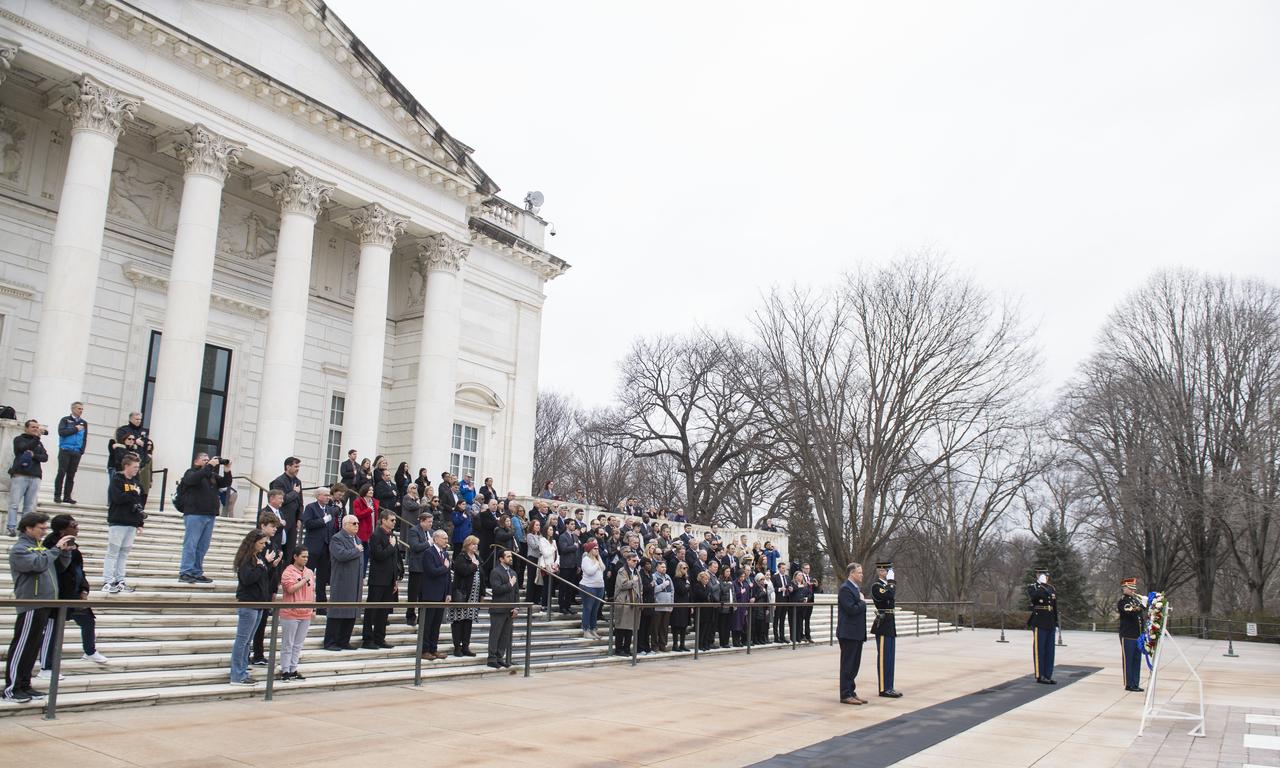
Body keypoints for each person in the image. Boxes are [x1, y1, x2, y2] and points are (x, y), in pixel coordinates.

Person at [5, 512, 73, 703]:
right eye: (41, 528)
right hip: (30, 603)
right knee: (22, 646)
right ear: (28, 528)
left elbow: (56, 568)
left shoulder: (40, 547)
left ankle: (25, 685)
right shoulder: (20, 549)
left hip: (45, 603)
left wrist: (65, 552)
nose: (44, 531)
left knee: (33, 647)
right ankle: (12, 688)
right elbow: (37, 564)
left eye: (45, 528)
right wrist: (54, 550)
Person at [37, 514, 108, 680]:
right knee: (52, 630)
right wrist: (61, 551)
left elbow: (79, 570)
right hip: (58, 594)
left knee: (88, 620)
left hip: (74, 593)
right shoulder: (50, 545)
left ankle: (90, 651)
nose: (77, 528)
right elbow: (57, 570)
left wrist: (84, 588)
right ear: (63, 530)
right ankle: (45, 667)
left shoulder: (74, 545)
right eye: (74, 525)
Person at [177, 453, 233, 584]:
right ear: (196, 462)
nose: (208, 462)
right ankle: (185, 571)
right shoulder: (191, 472)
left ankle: (196, 572)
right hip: (195, 513)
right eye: (205, 460)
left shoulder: (211, 476)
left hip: (209, 514)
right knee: (191, 544)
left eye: (209, 460)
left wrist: (227, 470)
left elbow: (225, 483)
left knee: (203, 546)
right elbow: (193, 480)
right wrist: (209, 466)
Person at [230, 529, 275, 685]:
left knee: (247, 641)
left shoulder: (257, 558)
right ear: (253, 543)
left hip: (258, 603)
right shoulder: (247, 559)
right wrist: (263, 566)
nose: (263, 546)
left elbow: (262, 578)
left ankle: (242, 670)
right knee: (242, 640)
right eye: (261, 543)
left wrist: (267, 565)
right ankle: (237, 674)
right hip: (248, 603)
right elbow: (248, 578)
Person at [102, 453, 145, 594]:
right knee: (113, 552)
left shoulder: (137, 483)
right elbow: (117, 498)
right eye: (134, 467)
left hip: (131, 522)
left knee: (124, 553)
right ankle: (108, 580)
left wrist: (140, 522)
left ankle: (120, 580)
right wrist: (132, 493)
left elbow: (139, 502)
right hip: (118, 520)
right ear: (126, 466)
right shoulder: (117, 479)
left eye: (138, 467)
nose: (136, 470)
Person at [323, 515, 364, 651]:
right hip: (342, 580)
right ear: (345, 524)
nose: (357, 525)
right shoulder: (337, 538)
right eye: (354, 523)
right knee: (338, 610)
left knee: (351, 611)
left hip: (355, 581)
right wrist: (356, 550)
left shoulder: (357, 539)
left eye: (358, 523)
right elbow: (341, 555)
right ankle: (330, 642)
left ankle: (344, 640)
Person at [362, 510, 402, 649]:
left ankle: (380, 638)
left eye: (395, 520)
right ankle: (367, 639)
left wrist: (395, 579)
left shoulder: (392, 536)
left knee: (384, 611)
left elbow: (394, 558)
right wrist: (391, 546)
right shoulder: (376, 535)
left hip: (389, 579)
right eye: (392, 520)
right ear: (383, 520)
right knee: (372, 609)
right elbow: (379, 555)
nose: (394, 522)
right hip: (378, 579)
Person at [278, 548, 315, 681]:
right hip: (291, 613)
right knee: (288, 643)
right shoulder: (288, 572)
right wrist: (304, 580)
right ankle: (285, 670)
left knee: (298, 644)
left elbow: (313, 591)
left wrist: (314, 609)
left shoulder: (309, 572)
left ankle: (293, 669)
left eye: (307, 556)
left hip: (305, 612)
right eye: (303, 556)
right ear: (295, 556)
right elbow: (290, 589)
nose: (306, 559)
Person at [7, 419, 48, 537]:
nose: (36, 429)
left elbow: (45, 457)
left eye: (37, 427)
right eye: (33, 427)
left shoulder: (39, 443)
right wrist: (37, 438)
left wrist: (34, 455)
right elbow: (23, 449)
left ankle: (24, 530)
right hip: (20, 474)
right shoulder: (19, 439)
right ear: (26, 428)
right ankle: (11, 527)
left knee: (29, 506)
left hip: (35, 476)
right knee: (14, 504)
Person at [837, 562, 868, 705]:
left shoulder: (855, 588)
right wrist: (862, 602)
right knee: (848, 665)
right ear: (852, 573)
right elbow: (851, 609)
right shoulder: (845, 589)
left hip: (856, 633)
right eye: (859, 572)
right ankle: (845, 694)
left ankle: (851, 691)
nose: (862, 575)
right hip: (848, 633)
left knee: (854, 665)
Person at [419, 529, 452, 659]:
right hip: (430, 594)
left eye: (447, 538)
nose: (446, 541)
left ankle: (434, 648)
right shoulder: (428, 553)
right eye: (444, 538)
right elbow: (431, 571)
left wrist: (448, 592)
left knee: (436, 624)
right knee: (427, 624)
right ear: (436, 539)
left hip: (442, 594)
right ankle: (424, 650)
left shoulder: (445, 554)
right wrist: (444, 567)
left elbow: (448, 575)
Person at [871, 561, 901, 698]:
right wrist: (891, 581)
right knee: (884, 658)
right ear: (881, 571)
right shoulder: (876, 586)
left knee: (890, 658)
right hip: (883, 624)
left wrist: (890, 583)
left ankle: (890, 686)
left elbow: (891, 592)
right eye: (888, 570)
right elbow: (888, 595)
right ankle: (883, 688)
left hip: (890, 622)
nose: (889, 573)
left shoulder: (887, 585)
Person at [447, 535, 481, 657]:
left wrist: (482, 593)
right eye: (473, 544)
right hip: (462, 594)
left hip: (474, 595)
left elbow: (480, 575)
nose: (475, 546)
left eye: (476, 544)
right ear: (467, 545)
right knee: (458, 620)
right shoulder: (461, 557)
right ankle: (457, 647)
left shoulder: (477, 557)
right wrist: (474, 565)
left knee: (468, 621)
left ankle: (466, 646)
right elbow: (463, 570)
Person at [300, 487, 336, 605]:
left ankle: (321, 604)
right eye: (325, 495)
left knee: (322, 578)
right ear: (318, 496)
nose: (328, 497)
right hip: (313, 547)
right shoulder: (311, 507)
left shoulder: (330, 509)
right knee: (308, 574)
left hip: (326, 548)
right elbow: (308, 523)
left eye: (329, 495)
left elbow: (332, 528)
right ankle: (304, 600)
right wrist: (323, 520)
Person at [486, 548, 519, 668]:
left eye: (511, 556)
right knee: (496, 634)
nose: (511, 558)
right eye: (508, 556)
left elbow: (516, 592)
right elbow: (497, 589)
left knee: (505, 635)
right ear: (501, 559)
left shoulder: (513, 573)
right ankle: (492, 658)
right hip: (498, 608)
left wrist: (516, 607)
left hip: (510, 609)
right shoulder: (496, 572)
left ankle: (500, 656)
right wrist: (510, 584)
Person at [1026, 568, 1059, 684]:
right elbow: (1034, 598)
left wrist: (1056, 622)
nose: (1045, 576)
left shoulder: (1051, 588)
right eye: (1041, 574)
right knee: (1040, 650)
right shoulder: (1034, 587)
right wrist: (1041, 585)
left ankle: (1048, 674)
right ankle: (1040, 675)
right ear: (1037, 575)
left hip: (1050, 621)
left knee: (1050, 650)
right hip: (1039, 621)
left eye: (1045, 575)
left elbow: (1054, 606)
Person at [53, 401, 87, 505]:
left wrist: (82, 451)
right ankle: (57, 495)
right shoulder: (65, 420)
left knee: (71, 475)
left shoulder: (84, 423)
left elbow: (84, 438)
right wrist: (75, 429)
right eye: (78, 408)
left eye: (82, 409)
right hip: (65, 449)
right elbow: (62, 432)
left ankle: (67, 496)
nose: (81, 411)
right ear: (73, 409)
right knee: (61, 472)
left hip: (76, 451)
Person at [270, 457, 304, 555]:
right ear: (288, 467)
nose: (297, 469)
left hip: (293, 520)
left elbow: (300, 502)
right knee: (279, 549)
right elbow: (281, 500)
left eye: (298, 466)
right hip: (282, 519)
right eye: (295, 466)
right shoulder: (279, 481)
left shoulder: (297, 481)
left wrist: (300, 518)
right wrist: (294, 492)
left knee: (290, 550)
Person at [404, 511, 433, 626]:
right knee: (413, 594)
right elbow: (415, 547)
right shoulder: (414, 531)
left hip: (428, 568)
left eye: (431, 521)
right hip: (417, 567)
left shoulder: (431, 532)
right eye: (429, 522)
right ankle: (410, 615)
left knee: (424, 595)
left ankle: (423, 617)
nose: (431, 524)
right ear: (422, 521)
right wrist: (428, 542)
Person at [1118, 577, 1146, 692]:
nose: (1132, 590)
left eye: (1133, 588)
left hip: (1137, 635)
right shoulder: (1123, 601)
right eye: (1129, 588)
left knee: (1137, 660)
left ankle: (1135, 683)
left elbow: (1139, 613)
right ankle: (1129, 684)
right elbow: (1130, 612)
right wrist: (1142, 606)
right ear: (1124, 588)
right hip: (1128, 635)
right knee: (1128, 660)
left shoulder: (1135, 601)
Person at [613, 550, 642, 656]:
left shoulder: (636, 571)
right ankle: (619, 649)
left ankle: (626, 648)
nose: (635, 562)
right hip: (624, 602)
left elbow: (640, 587)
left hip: (633, 602)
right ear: (628, 560)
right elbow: (623, 585)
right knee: (621, 627)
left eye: (636, 561)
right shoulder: (622, 571)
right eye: (633, 561)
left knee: (630, 628)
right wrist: (633, 581)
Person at [580, 539, 606, 638]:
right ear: (590, 549)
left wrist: (598, 559)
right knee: (588, 608)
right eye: (595, 548)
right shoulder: (586, 559)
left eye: (597, 548)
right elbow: (589, 571)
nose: (597, 550)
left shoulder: (597, 559)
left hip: (599, 587)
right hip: (588, 587)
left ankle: (593, 628)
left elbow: (603, 568)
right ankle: (586, 629)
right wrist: (596, 564)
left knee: (595, 609)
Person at [557, 520, 583, 615]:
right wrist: (574, 547)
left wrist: (579, 565)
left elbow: (578, 552)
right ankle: (562, 606)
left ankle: (568, 606)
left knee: (570, 588)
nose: (573, 526)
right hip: (565, 566)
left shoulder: (575, 536)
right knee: (563, 587)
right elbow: (563, 549)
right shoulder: (563, 536)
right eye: (571, 524)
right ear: (567, 525)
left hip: (574, 565)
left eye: (574, 524)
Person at [352, 483, 378, 572]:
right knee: (360, 554)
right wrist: (369, 510)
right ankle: (358, 573)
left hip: (372, 531)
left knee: (367, 555)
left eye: (372, 490)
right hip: (362, 532)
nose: (371, 491)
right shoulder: (358, 501)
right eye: (369, 490)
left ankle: (362, 576)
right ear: (364, 490)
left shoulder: (374, 502)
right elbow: (358, 515)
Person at [524, 517, 547, 609]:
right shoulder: (530, 535)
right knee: (531, 578)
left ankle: (536, 598)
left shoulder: (541, 536)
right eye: (536, 525)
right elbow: (533, 546)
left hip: (540, 559)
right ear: (532, 526)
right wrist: (541, 544)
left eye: (539, 525)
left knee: (539, 579)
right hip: (532, 558)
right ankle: (529, 599)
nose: (538, 527)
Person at [652, 560, 674, 652]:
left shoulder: (668, 577)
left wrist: (671, 603)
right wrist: (663, 585)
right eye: (662, 567)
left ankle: (663, 644)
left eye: (665, 567)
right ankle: (654, 645)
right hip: (658, 605)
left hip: (667, 605)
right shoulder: (654, 576)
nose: (664, 569)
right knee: (655, 627)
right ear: (657, 568)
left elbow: (672, 590)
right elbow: (654, 590)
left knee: (664, 627)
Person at [670, 561, 692, 652]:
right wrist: (687, 585)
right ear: (679, 569)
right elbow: (682, 590)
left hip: (686, 604)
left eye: (686, 568)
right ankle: (675, 645)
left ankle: (682, 644)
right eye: (684, 568)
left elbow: (689, 592)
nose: (686, 570)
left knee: (684, 626)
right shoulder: (676, 579)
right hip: (678, 604)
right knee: (676, 626)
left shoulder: (686, 579)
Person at [693, 570, 715, 652]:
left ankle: (705, 643)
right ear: (701, 579)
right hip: (701, 611)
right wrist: (708, 591)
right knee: (701, 628)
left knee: (707, 628)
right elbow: (702, 595)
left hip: (708, 610)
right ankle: (700, 644)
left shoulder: (708, 587)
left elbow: (711, 596)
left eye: (708, 579)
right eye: (705, 579)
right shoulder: (697, 586)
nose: (707, 581)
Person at [772, 561, 793, 643]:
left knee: (783, 619)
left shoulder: (787, 577)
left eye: (785, 568)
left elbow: (789, 586)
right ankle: (776, 637)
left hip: (786, 600)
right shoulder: (774, 577)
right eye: (782, 568)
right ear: (779, 568)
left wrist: (790, 589)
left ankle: (782, 636)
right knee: (776, 619)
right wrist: (780, 589)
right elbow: (772, 588)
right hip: (778, 600)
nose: (784, 570)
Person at [731, 568, 751, 647]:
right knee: (736, 625)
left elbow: (747, 596)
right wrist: (739, 592)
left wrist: (746, 608)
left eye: (744, 576)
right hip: (737, 607)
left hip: (743, 607)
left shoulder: (745, 584)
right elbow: (733, 595)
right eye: (741, 576)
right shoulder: (734, 583)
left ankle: (740, 641)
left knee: (742, 624)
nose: (742, 578)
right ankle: (735, 641)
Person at [751, 573, 771, 646]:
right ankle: (755, 639)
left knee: (762, 625)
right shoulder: (755, 587)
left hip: (763, 607)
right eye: (761, 579)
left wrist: (767, 608)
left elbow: (767, 598)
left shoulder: (764, 587)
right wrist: (762, 592)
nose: (762, 581)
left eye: (763, 579)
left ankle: (760, 638)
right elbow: (755, 597)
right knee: (756, 625)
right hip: (756, 608)